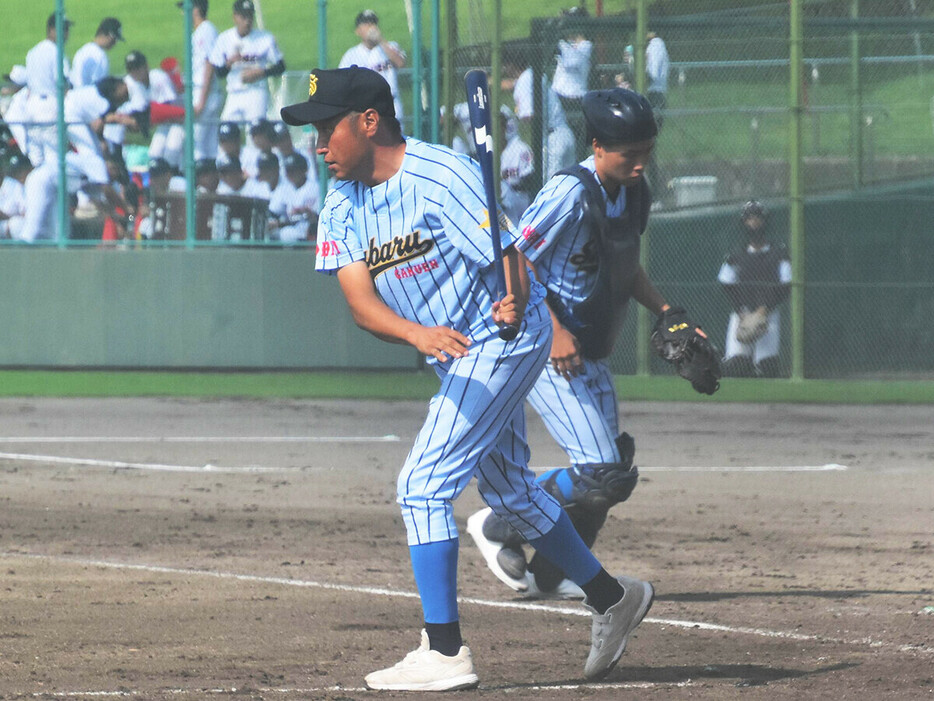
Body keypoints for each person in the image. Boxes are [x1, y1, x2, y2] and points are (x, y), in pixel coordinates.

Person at [281, 66, 654, 691]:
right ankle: (612, 598)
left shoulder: (444, 176)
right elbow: (359, 301)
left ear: (368, 122)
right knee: (509, 490)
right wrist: (416, 333)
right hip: (453, 353)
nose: (319, 144)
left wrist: (511, 295)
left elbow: (511, 258)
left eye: (327, 128)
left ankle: (445, 650)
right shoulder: (342, 202)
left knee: (422, 486)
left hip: (505, 338)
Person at [467, 88, 714, 600]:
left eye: (647, 150)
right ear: (598, 146)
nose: (641, 163)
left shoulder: (630, 190)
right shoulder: (569, 192)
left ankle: (549, 576)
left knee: (612, 477)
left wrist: (667, 310)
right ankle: (499, 519)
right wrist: (553, 330)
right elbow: (516, 257)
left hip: (592, 349)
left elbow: (624, 265)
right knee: (598, 472)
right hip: (547, 350)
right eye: (630, 153)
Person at [718, 200, 791, 378]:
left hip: (767, 315)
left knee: (767, 369)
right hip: (742, 315)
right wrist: (741, 311)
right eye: (749, 219)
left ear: (765, 221)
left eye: (757, 218)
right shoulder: (736, 254)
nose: (753, 223)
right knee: (736, 366)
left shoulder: (778, 252)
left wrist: (763, 310)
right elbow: (726, 283)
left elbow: (786, 284)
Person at [209, 0, 285, 125]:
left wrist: (260, 73)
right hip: (233, 94)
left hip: (256, 93)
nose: (247, 21)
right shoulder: (224, 39)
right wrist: (229, 63)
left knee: (255, 133)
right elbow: (219, 73)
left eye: (250, 16)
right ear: (235, 17)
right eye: (243, 16)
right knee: (226, 132)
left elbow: (281, 66)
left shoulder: (265, 38)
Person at [503, 52, 575, 179]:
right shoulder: (533, 74)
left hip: (552, 142)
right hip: (565, 134)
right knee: (569, 185)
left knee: (550, 187)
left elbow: (528, 115)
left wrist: (513, 117)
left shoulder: (524, 81)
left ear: (510, 66)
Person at [339, 10, 407, 122]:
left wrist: (380, 40)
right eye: (366, 24)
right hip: (365, 109)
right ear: (358, 31)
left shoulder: (390, 46)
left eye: (373, 22)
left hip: (392, 105)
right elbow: (342, 83)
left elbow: (400, 63)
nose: (371, 27)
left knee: (395, 139)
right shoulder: (351, 55)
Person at [23, 13, 73, 166]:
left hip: (31, 107)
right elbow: (63, 83)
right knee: (54, 159)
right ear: (51, 29)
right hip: (50, 107)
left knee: (36, 159)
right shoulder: (57, 53)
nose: (66, 34)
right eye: (63, 29)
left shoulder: (32, 52)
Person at [178, 0, 224, 161]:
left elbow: (209, 64)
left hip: (204, 93)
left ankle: (198, 180)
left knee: (195, 143)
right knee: (209, 145)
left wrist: (201, 101)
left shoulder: (206, 31)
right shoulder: (201, 31)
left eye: (186, 9)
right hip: (203, 92)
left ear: (195, 9)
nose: (183, 14)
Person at [552, 6, 592, 157]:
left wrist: (560, 42)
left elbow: (571, 63)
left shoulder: (586, 46)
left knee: (576, 144)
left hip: (574, 99)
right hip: (559, 96)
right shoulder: (567, 44)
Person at [267, 151, 317, 243]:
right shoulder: (286, 188)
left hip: (309, 233)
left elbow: (314, 217)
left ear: (304, 169)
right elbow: (274, 212)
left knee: (286, 234)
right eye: (287, 170)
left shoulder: (314, 188)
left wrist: (279, 223)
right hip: (290, 230)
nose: (289, 174)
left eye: (293, 170)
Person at [498, 106, 534, 228]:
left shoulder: (520, 149)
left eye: (500, 124)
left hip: (520, 202)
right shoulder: (490, 150)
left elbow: (530, 179)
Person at [70, 17, 123, 89]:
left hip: (75, 94)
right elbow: (99, 87)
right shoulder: (100, 56)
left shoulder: (83, 49)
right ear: (104, 34)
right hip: (88, 97)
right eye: (114, 39)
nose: (114, 43)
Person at [0, 151, 30, 238]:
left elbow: (26, 214)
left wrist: (4, 215)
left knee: (16, 224)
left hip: (9, 226)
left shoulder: (13, 185)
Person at [644, 31, 669, 130]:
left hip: (654, 91)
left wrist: (645, 79)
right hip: (657, 90)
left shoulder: (655, 46)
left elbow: (653, 70)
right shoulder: (657, 45)